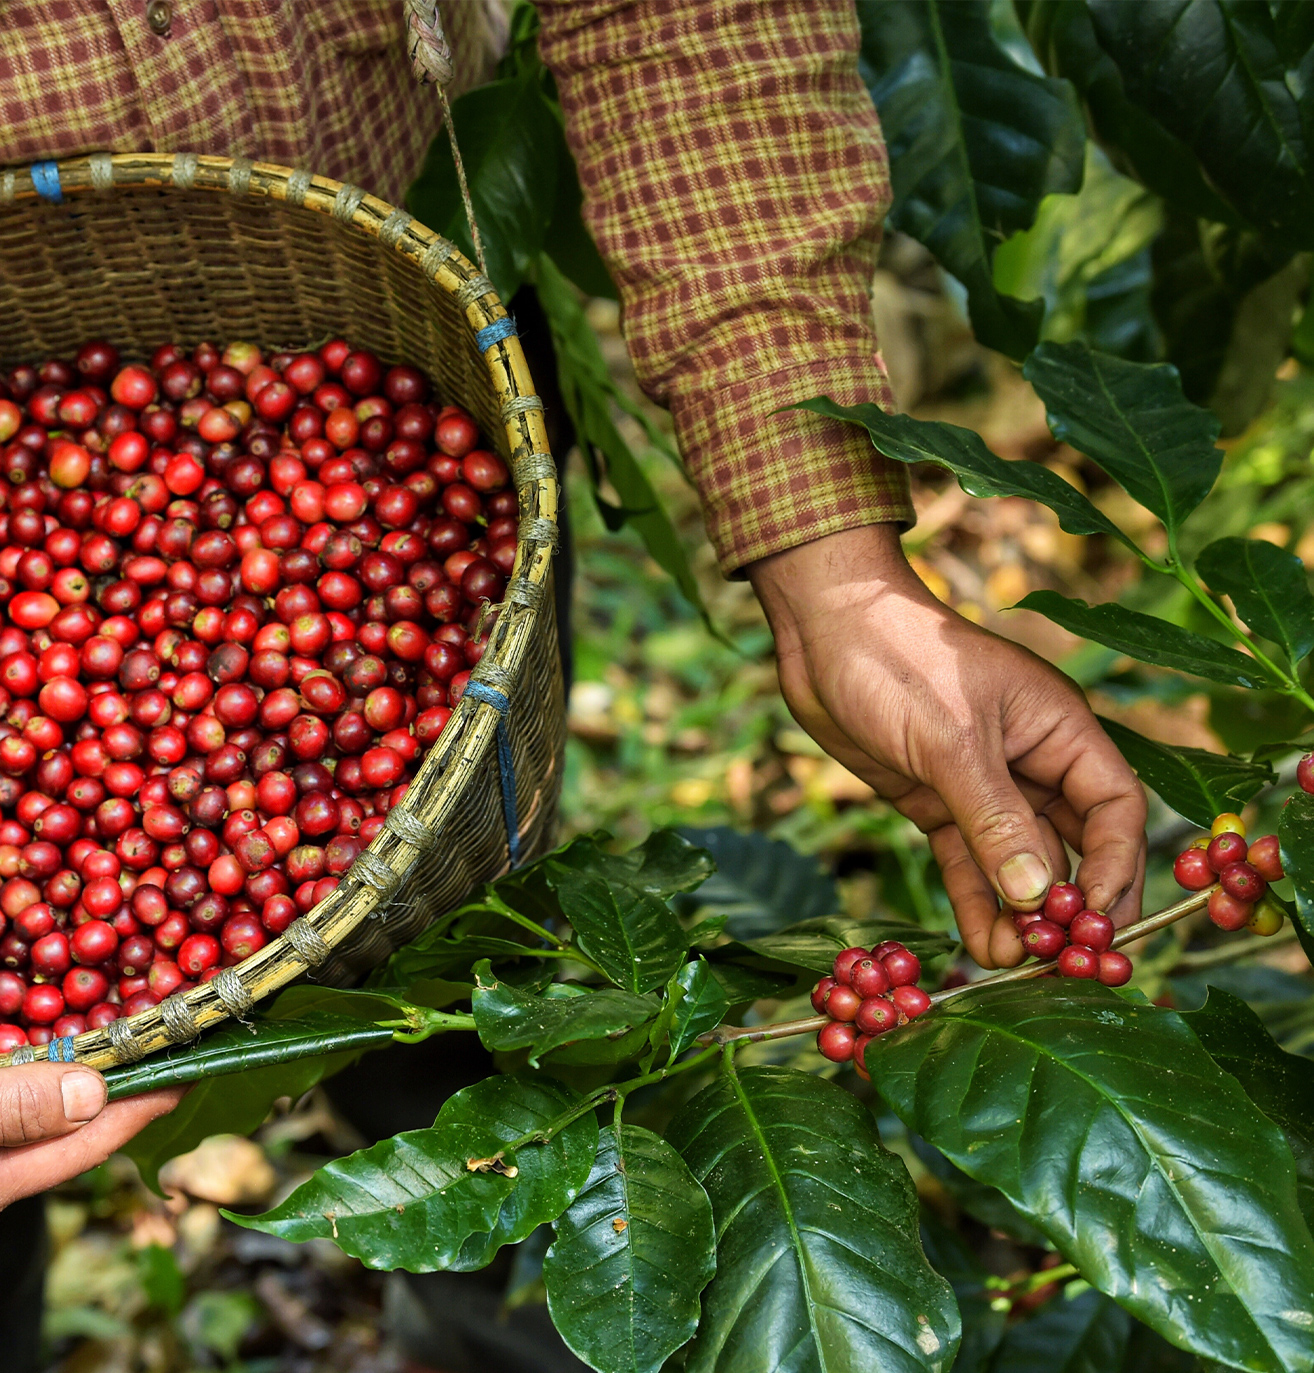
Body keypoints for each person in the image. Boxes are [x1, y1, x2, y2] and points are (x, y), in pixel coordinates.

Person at [0, 0, 1144, 1200]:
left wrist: (839, 580)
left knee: (471, 997)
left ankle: (498, 1259)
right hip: (305, 365)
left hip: (418, 268)